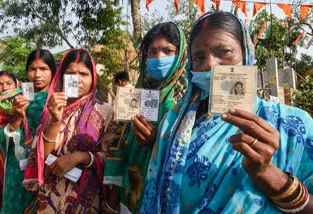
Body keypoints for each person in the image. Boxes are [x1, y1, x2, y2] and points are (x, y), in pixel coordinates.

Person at [140, 12, 313, 214]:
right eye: (198, 57)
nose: (210, 65)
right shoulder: (173, 124)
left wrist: (267, 173)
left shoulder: (292, 125)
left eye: (224, 52)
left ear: (246, 56)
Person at [104, 22, 188, 214]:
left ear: (181, 55)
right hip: (130, 190)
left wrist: (156, 144)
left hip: (166, 196)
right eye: (152, 52)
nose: (159, 58)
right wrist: (113, 197)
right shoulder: (137, 92)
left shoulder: (188, 99)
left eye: (168, 51)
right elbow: (121, 143)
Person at [23, 49, 115, 213]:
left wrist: (79, 157)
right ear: (62, 77)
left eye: (84, 74)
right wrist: (55, 121)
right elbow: (41, 155)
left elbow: (112, 158)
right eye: (71, 74)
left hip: (86, 199)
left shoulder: (105, 112)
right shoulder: (52, 108)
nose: (78, 80)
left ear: (93, 78)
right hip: (50, 197)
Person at [0, 49, 56, 214]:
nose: (37, 74)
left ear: (53, 71)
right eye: (32, 69)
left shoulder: (59, 99)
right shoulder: (11, 99)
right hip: (17, 167)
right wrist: (18, 116)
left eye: (43, 69)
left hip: (48, 165)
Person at [0, 71, 18, 214]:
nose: (5, 88)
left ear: (16, 85)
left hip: (18, 171)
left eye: (9, 83)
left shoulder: (28, 109)